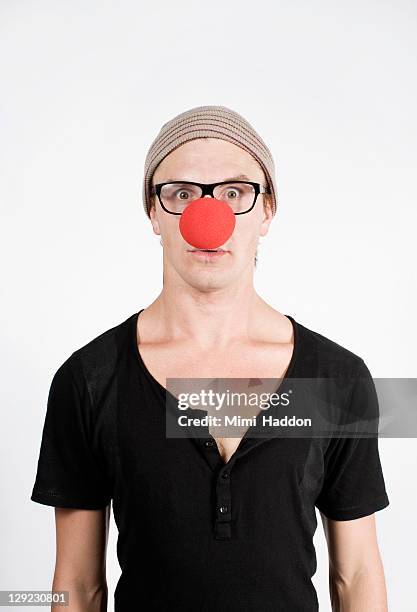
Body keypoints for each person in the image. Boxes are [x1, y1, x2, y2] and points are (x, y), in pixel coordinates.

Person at [31, 105, 390, 611]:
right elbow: (77, 585)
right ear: (153, 213)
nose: (209, 217)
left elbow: (356, 577)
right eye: (181, 193)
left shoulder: (338, 378)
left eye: (234, 192)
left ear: (267, 211)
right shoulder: (89, 380)